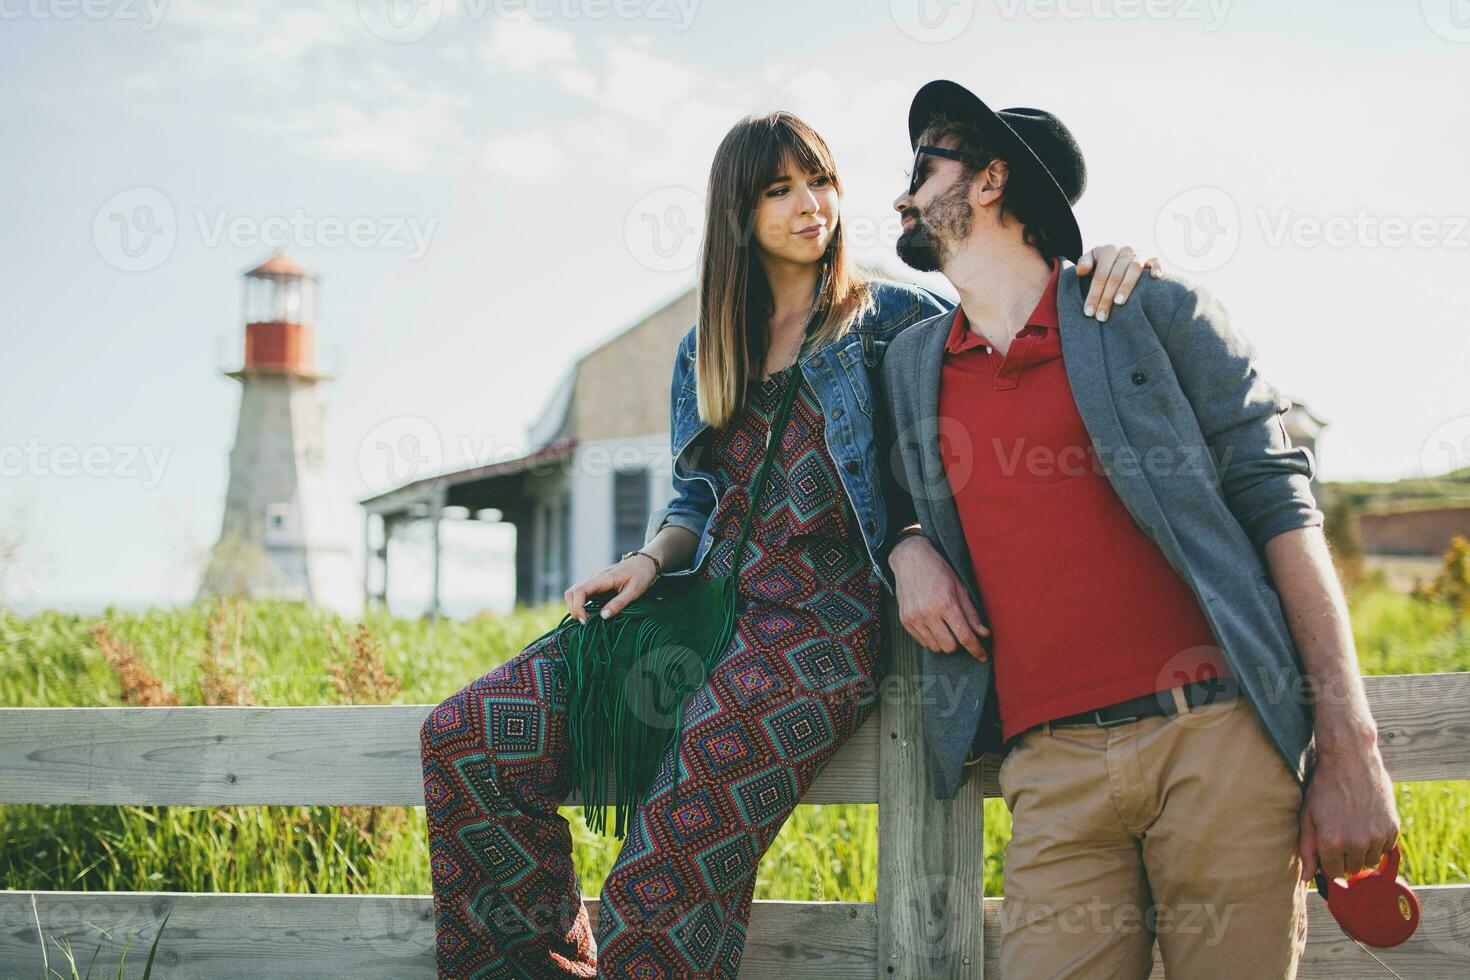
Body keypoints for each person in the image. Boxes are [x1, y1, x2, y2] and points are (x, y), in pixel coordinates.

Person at [419, 107, 1149, 978]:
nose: (812, 204)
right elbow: (697, 493)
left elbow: (1015, 311)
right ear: (740, 211)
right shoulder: (704, 349)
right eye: (780, 189)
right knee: (464, 739)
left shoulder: (894, 320)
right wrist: (648, 559)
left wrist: (1106, 264)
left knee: (656, 884)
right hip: (703, 607)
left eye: (821, 180)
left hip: (818, 627)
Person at [878, 78, 1400, 979]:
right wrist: (904, 545)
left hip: (1217, 744)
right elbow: (860, 480)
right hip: (1048, 776)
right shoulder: (911, 363)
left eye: (926, 165)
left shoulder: (1149, 312)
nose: (901, 192)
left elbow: (1281, 507)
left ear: (992, 179)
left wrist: (1351, 749)